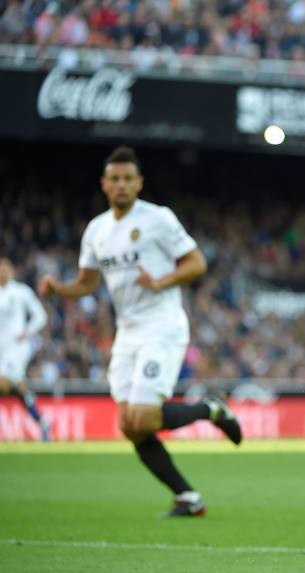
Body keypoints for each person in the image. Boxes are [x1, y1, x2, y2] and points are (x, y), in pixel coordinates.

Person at [38, 146, 243, 517]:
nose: (121, 185)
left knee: (144, 418)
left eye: (128, 179)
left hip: (162, 326)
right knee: (130, 426)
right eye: (114, 179)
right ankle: (188, 497)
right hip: (127, 333)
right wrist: (58, 289)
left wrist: (162, 281)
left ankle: (211, 408)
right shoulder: (97, 230)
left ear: (139, 183)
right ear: (104, 184)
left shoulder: (158, 219)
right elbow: (86, 284)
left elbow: (196, 263)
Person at [0, 257, 50, 441]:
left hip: (17, 349)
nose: (2, 271)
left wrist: (26, 331)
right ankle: (42, 421)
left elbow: (41, 316)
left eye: (5, 268)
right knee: (19, 389)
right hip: (1, 351)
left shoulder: (21, 292)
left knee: (3, 384)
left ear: (11, 270)